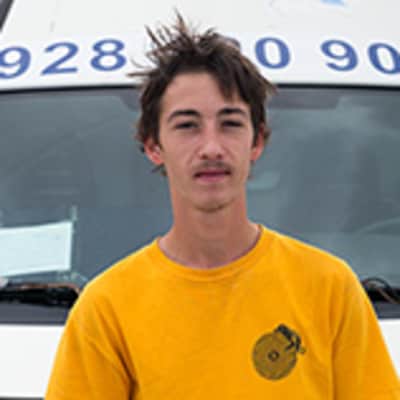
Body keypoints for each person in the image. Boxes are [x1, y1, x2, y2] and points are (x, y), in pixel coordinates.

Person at [45, 15, 400, 400]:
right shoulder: (105, 309)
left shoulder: (331, 289)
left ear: (257, 141)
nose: (211, 147)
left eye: (230, 123)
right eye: (187, 125)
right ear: (153, 145)